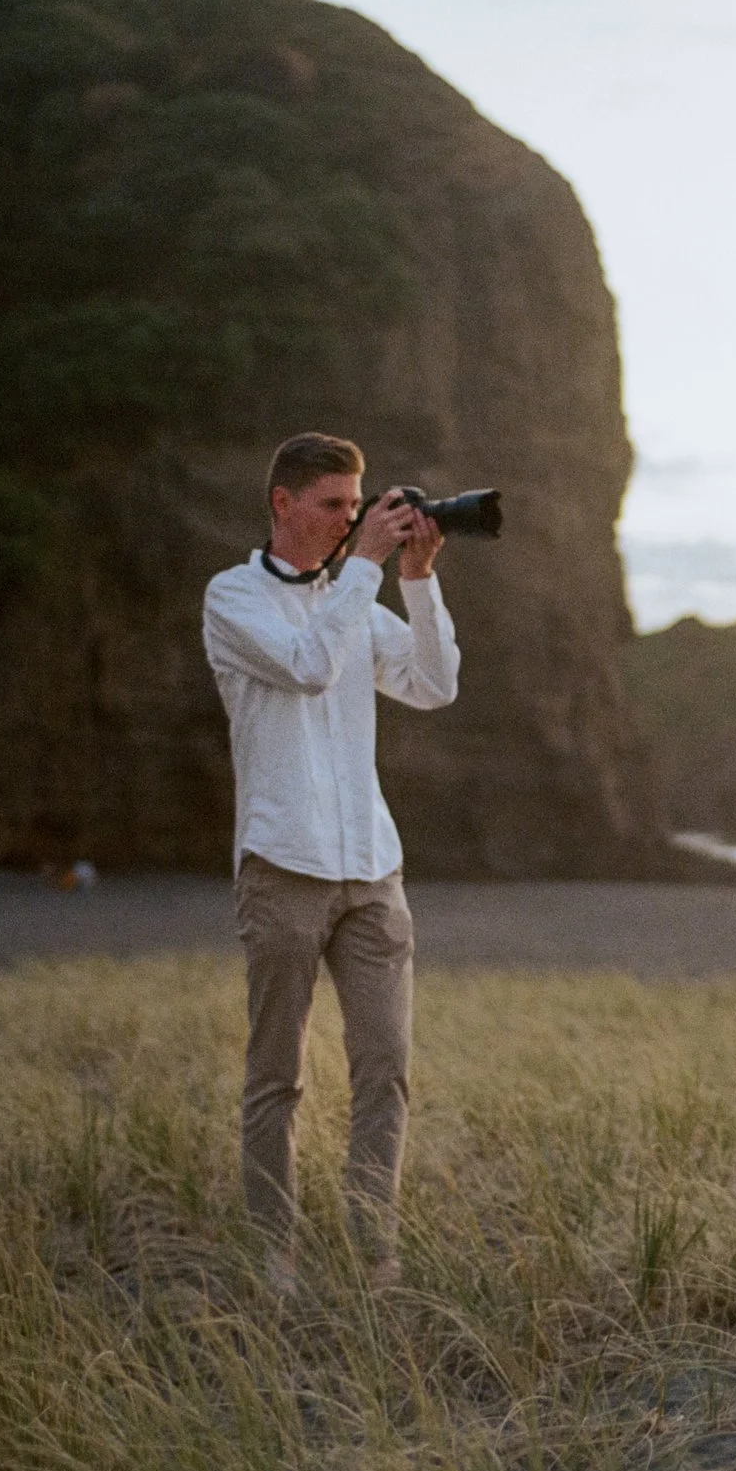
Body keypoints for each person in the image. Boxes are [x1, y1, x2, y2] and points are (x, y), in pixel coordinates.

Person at [202, 431, 461, 1296]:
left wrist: (418, 583)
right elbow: (311, 668)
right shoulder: (232, 599)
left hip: (372, 871)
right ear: (283, 503)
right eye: (334, 506)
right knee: (278, 1073)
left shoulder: (358, 595)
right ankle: (274, 1254)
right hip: (282, 866)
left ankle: (371, 1250)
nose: (352, 520)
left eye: (358, 506)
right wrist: (369, 570)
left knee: (385, 1069)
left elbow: (434, 685)